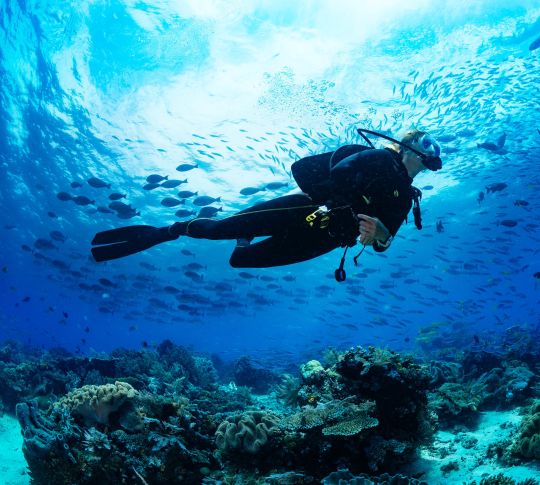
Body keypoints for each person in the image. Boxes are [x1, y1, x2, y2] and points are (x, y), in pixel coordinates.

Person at [91, 128, 442, 279]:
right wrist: (342, 202)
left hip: (328, 239)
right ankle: (169, 230)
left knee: (241, 259)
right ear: (408, 146)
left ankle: (244, 238)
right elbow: (316, 173)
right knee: (216, 229)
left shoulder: (407, 197)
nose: (432, 151)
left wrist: (380, 235)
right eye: (427, 142)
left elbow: (384, 243)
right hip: (304, 208)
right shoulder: (378, 159)